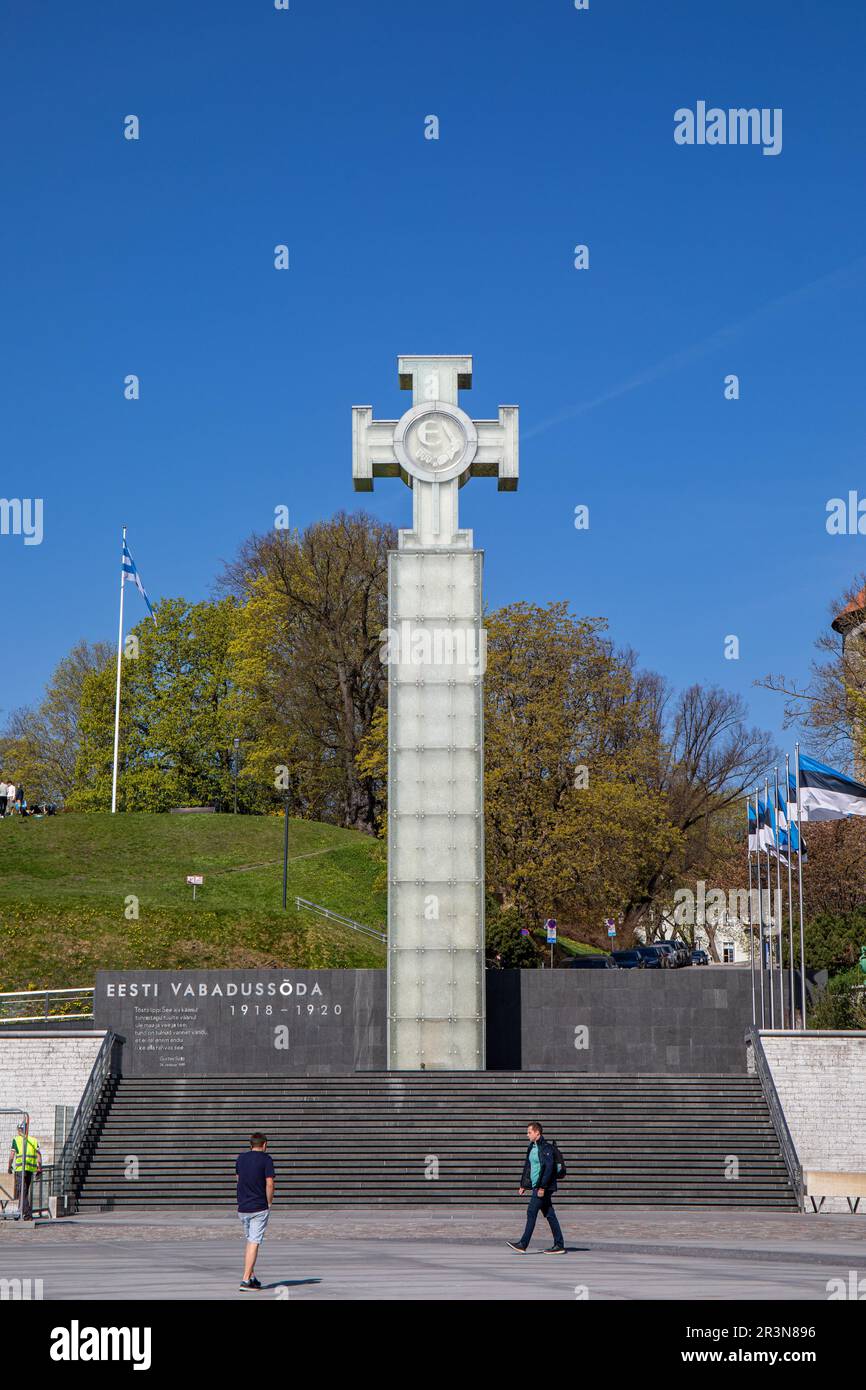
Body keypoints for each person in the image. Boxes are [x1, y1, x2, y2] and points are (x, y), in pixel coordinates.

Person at [507, 1122, 565, 1254]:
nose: (527, 1135)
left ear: (537, 1133)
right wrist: (524, 1185)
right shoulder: (532, 1147)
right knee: (550, 1214)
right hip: (536, 1186)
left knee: (531, 1212)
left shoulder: (546, 1148)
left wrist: (542, 1187)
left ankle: (523, 1243)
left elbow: (548, 1169)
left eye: (529, 1132)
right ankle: (559, 1244)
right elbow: (528, 1167)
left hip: (543, 1187)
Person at [235, 1131, 275, 1291]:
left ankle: (251, 1277)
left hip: (243, 1207)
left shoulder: (240, 1158)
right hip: (259, 1207)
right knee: (254, 1242)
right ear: (264, 1145)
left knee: (250, 1240)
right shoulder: (266, 1159)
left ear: (251, 1145)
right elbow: (270, 1183)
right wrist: (269, 1202)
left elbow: (238, 1180)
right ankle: (245, 1280)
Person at [8, 1123, 41, 1220]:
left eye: (18, 1130)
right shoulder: (34, 1140)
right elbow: (39, 1156)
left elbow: (11, 1156)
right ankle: (20, 1212)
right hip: (30, 1170)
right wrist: (39, 1168)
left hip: (20, 1170)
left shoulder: (17, 1140)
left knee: (22, 1192)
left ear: (20, 1130)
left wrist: (9, 1166)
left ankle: (27, 1215)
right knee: (24, 1192)